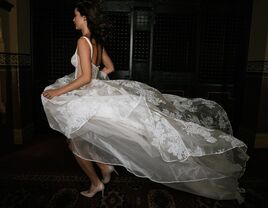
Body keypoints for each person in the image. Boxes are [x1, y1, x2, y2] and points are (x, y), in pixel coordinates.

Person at [42, 0, 249, 202]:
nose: (73, 19)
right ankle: (104, 169)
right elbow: (109, 68)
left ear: (84, 17)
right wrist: (98, 82)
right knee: (84, 136)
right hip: (92, 96)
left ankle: (97, 181)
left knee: (74, 140)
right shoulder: (96, 42)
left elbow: (86, 77)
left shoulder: (82, 41)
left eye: (76, 16)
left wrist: (59, 91)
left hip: (86, 97)